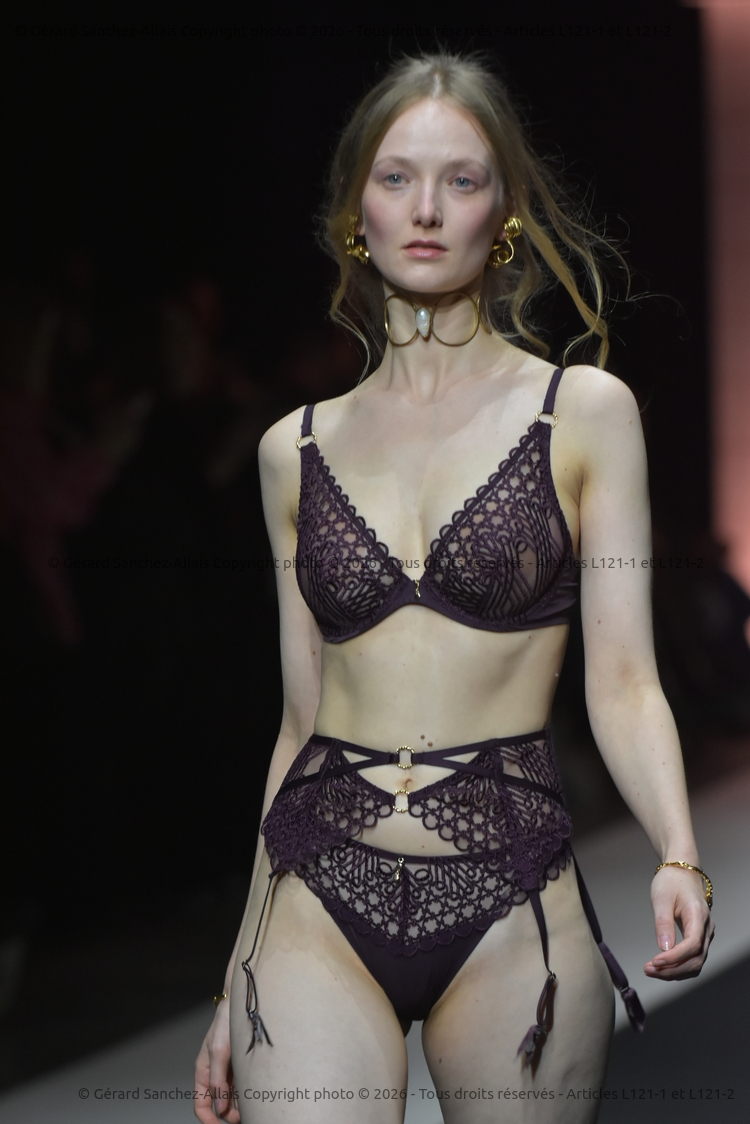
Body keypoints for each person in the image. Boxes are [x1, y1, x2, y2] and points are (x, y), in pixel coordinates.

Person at [194, 52, 714, 1123]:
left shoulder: (583, 412)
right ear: (357, 212)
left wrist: (679, 851)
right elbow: (299, 719)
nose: (426, 208)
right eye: (396, 178)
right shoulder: (292, 449)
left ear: (504, 212)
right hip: (315, 885)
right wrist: (235, 968)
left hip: (512, 889)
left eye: (461, 179)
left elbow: (623, 679)